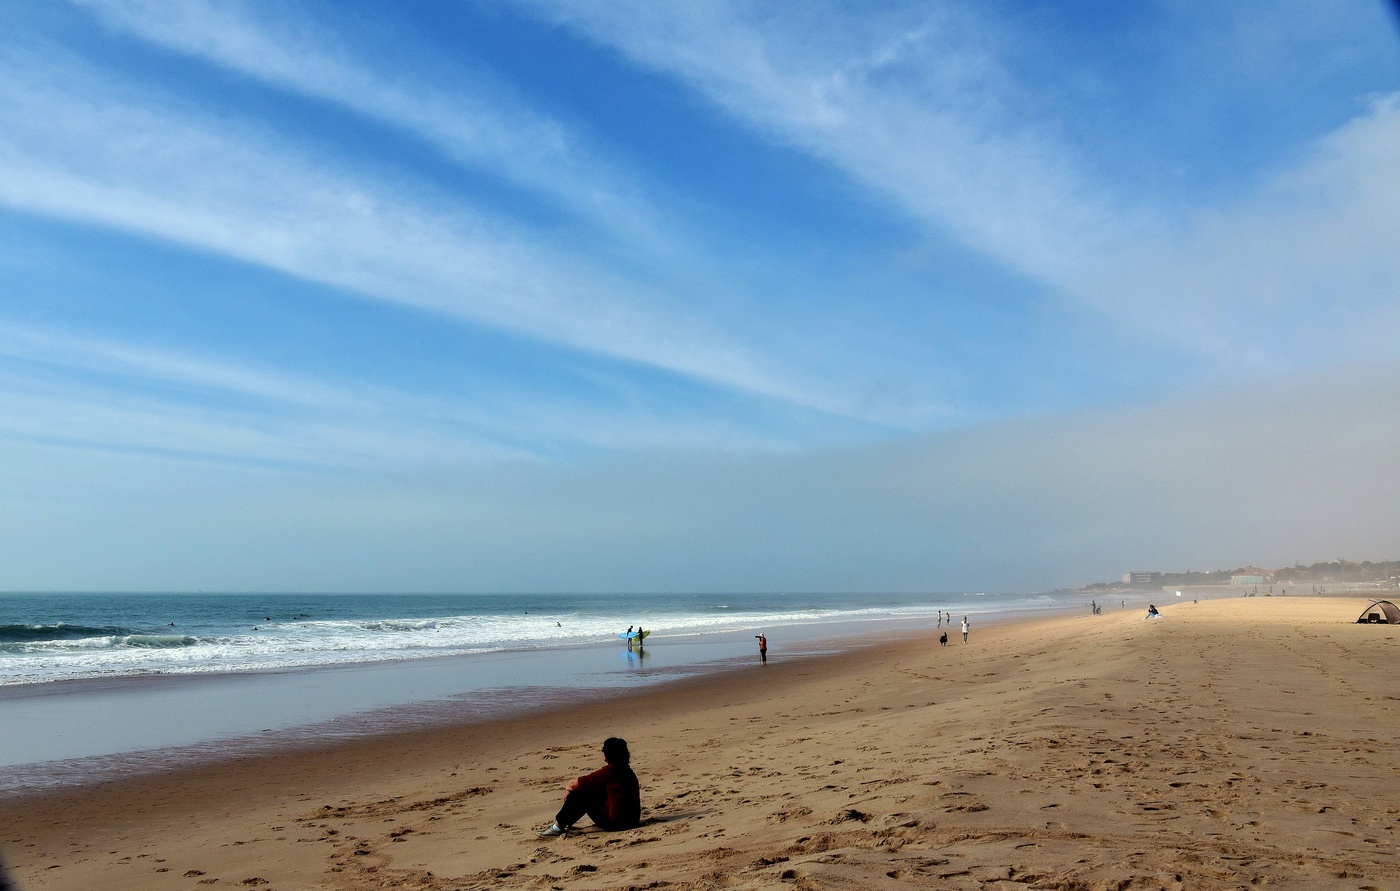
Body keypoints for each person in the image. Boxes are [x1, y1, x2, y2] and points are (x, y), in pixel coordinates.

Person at [538, 737, 640, 837]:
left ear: (608, 753)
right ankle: (567, 822)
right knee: (589, 789)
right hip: (632, 821)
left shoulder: (610, 771)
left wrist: (571, 792)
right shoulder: (627, 771)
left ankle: (557, 827)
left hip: (617, 824)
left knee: (579, 794)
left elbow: (572, 785)